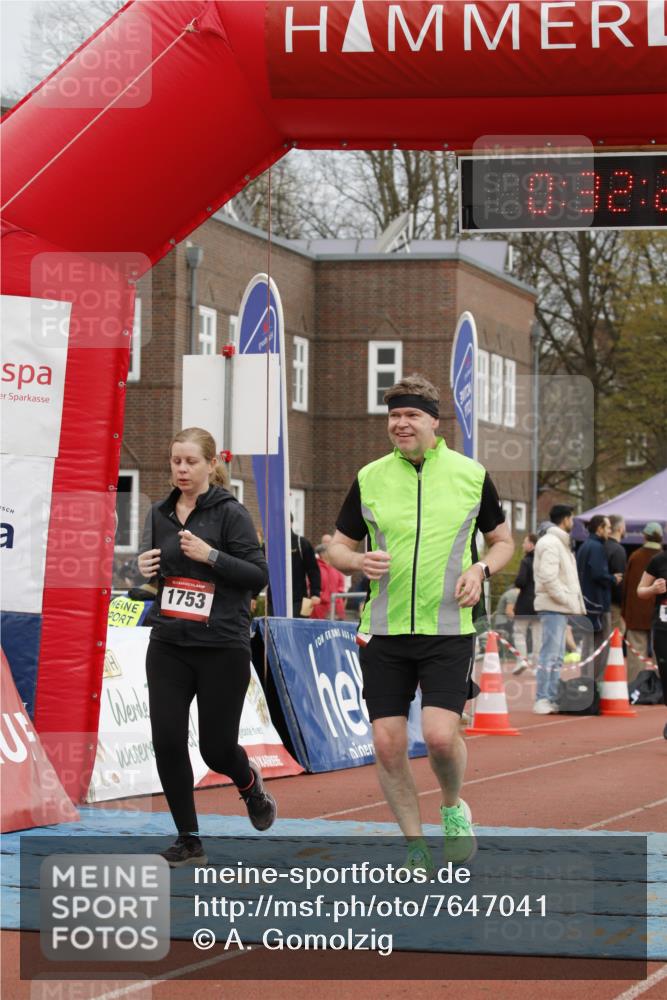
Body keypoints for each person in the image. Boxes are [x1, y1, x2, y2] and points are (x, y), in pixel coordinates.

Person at [327, 373, 514, 870]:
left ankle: (452, 808)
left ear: (434, 421)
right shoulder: (370, 477)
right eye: (394, 416)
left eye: (410, 415)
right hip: (385, 629)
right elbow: (337, 545)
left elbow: (504, 542)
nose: (401, 424)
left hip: (448, 629)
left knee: (437, 735)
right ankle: (413, 845)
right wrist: (354, 563)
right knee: (387, 743)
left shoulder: (471, 475)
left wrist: (481, 568)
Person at [137, 427, 275, 867]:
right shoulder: (159, 513)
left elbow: (258, 576)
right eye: (175, 461)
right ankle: (188, 837)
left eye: (190, 462)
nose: (181, 469)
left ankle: (249, 783)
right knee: (168, 740)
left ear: (211, 465)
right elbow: (155, 574)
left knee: (217, 748)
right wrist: (142, 566)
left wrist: (210, 555)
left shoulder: (230, 513)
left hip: (221, 645)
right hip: (170, 642)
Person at [533, 504, 586, 714]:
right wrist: (564, 598)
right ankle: (543, 697)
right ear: (565, 519)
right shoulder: (552, 543)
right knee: (550, 654)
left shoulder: (559, 543)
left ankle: (550, 696)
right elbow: (548, 576)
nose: (572, 522)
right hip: (553, 606)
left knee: (555, 655)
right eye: (571, 518)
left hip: (557, 607)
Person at [576, 515, 622, 682]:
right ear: (599, 528)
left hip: (586, 602)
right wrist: (613, 578)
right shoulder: (597, 547)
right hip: (598, 604)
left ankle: (586, 681)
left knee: (588, 646)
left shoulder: (584, 546)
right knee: (601, 646)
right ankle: (596, 684)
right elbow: (598, 574)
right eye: (608, 527)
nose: (610, 531)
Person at [622, 522, 664, 683]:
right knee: (660, 654)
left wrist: (625, 611)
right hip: (660, 614)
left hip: (636, 612)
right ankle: (661, 688)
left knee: (636, 654)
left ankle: (635, 687)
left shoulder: (635, 556)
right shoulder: (662, 557)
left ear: (644, 536)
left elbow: (626, 587)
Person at [637, 540, 667, 740]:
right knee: (665, 672)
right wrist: (653, 590)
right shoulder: (658, 560)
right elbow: (640, 590)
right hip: (663, 626)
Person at [512, 533, 541, 675]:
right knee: (538, 636)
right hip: (540, 602)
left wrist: (517, 582)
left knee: (519, 633)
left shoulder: (526, 561)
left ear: (531, 544)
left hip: (525, 602)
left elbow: (520, 581)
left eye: (525, 542)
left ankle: (522, 659)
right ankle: (536, 666)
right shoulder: (543, 560)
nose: (523, 545)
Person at [290, 515, 322, 617]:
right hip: (274, 601)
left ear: (290, 522)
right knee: (274, 632)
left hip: (297, 600)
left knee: (296, 631)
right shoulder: (269, 544)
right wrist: (254, 595)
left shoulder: (301, 543)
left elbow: (313, 570)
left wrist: (315, 593)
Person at [311, 543, 346, 620]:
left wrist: (338, 597)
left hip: (336, 607)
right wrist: (321, 597)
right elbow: (310, 585)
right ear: (322, 554)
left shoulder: (336, 567)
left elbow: (341, 585)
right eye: (329, 551)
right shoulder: (315, 568)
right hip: (320, 609)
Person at [605, 515, 627, 633]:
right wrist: (622, 603)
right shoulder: (618, 550)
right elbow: (619, 580)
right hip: (614, 605)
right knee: (615, 637)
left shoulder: (601, 546)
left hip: (601, 601)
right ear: (620, 529)